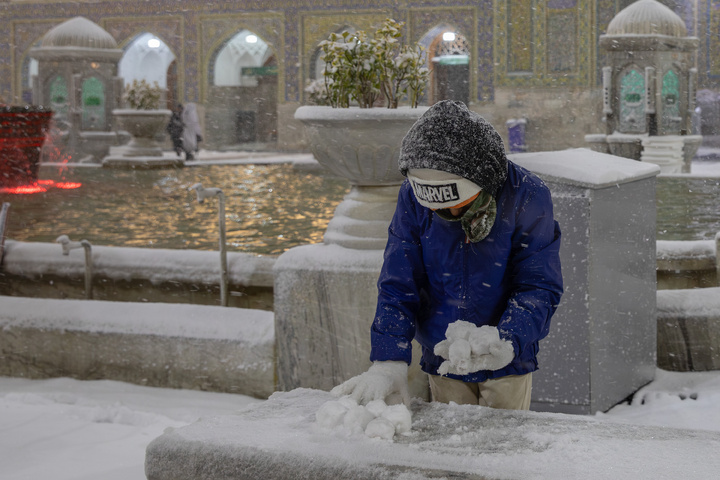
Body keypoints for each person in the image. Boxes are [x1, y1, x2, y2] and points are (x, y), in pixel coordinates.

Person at [332, 100, 564, 410]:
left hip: (506, 364)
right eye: (436, 207)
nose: (448, 213)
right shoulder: (413, 198)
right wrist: (388, 359)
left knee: (505, 451)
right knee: (450, 451)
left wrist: (508, 340)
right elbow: (399, 282)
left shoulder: (527, 195)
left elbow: (538, 285)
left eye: (459, 203)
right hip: (441, 356)